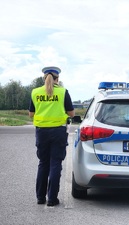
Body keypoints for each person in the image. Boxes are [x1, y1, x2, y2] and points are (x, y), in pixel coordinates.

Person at [29, 66, 75, 207]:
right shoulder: (62, 92)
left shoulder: (35, 92)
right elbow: (72, 113)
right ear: (57, 78)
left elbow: (31, 114)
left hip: (42, 132)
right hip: (58, 132)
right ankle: (52, 199)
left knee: (43, 164)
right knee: (55, 164)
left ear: (44, 78)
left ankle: (40, 198)